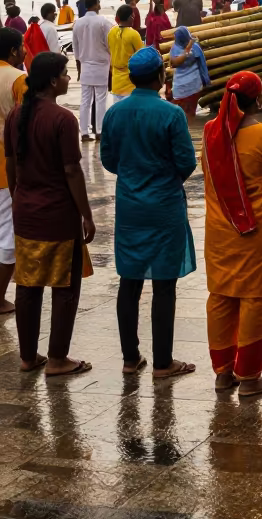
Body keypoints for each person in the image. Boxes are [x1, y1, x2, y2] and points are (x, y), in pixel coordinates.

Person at [99, 46, 198, 380]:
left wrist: (134, 175)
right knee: (164, 284)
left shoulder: (115, 113)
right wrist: (163, 179)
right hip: (164, 206)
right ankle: (162, 362)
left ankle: (130, 358)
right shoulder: (171, 114)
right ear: (159, 77)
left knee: (130, 279)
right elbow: (186, 161)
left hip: (130, 205)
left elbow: (109, 159)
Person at [203, 70, 262, 396]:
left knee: (222, 298)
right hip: (256, 234)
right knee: (260, 299)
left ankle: (223, 373)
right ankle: (250, 376)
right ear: (258, 99)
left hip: (219, 232)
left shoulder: (210, 132)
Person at [4, 52, 95, 376]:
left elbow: (12, 163)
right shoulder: (62, 119)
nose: (71, 78)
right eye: (66, 74)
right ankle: (57, 358)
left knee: (27, 285)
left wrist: (19, 197)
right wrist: (86, 213)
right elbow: (71, 171)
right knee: (65, 286)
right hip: (58, 215)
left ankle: (28, 356)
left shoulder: (17, 115)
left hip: (26, 211)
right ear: (54, 80)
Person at [0, 29, 26, 316]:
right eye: (22, 47)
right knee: (8, 232)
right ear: (13, 52)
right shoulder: (18, 79)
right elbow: (29, 121)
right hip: (5, 166)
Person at [72, 0, 112, 141]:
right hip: (101, 65)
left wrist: (79, 63)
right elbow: (109, 44)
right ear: (95, 4)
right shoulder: (104, 22)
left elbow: (75, 48)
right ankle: (100, 130)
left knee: (85, 100)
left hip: (85, 65)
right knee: (101, 99)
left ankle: (84, 132)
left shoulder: (78, 23)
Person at [169, 26, 210, 120]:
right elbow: (174, 63)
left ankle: (184, 131)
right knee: (189, 114)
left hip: (184, 86)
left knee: (181, 115)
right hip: (192, 85)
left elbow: (173, 63)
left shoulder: (177, 48)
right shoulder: (190, 47)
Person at [107, 4, 144, 103]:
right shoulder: (133, 34)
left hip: (116, 82)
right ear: (130, 17)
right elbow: (142, 56)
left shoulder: (112, 31)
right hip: (130, 83)